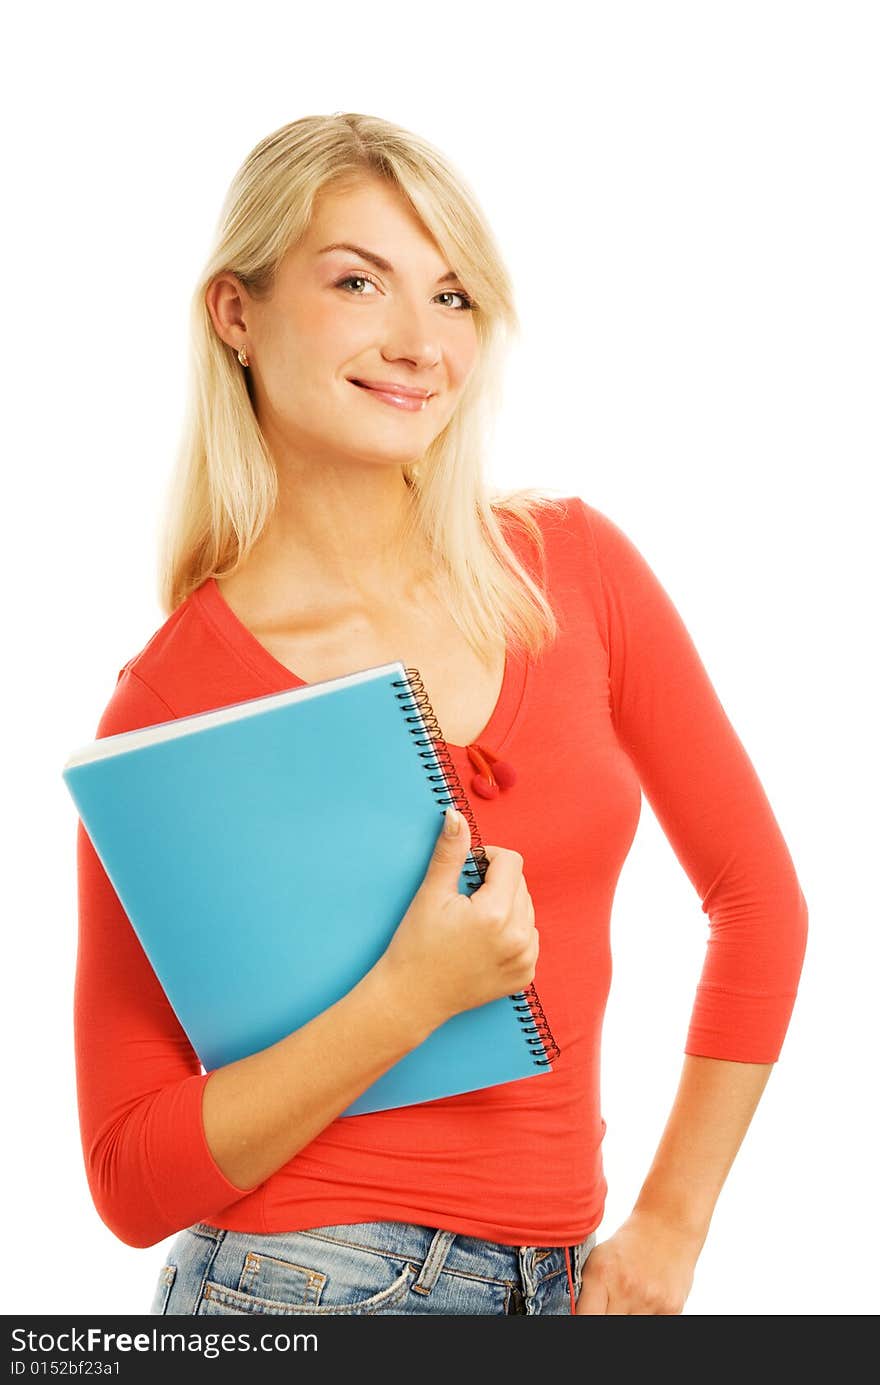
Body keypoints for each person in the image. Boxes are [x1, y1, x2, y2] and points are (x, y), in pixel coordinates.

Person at [72, 112, 808, 1316]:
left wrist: (671, 1223)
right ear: (237, 314)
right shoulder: (172, 702)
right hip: (300, 1284)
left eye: (454, 296)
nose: (418, 342)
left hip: (560, 1281)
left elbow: (759, 901)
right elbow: (127, 1171)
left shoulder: (571, 568)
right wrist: (407, 997)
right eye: (358, 282)